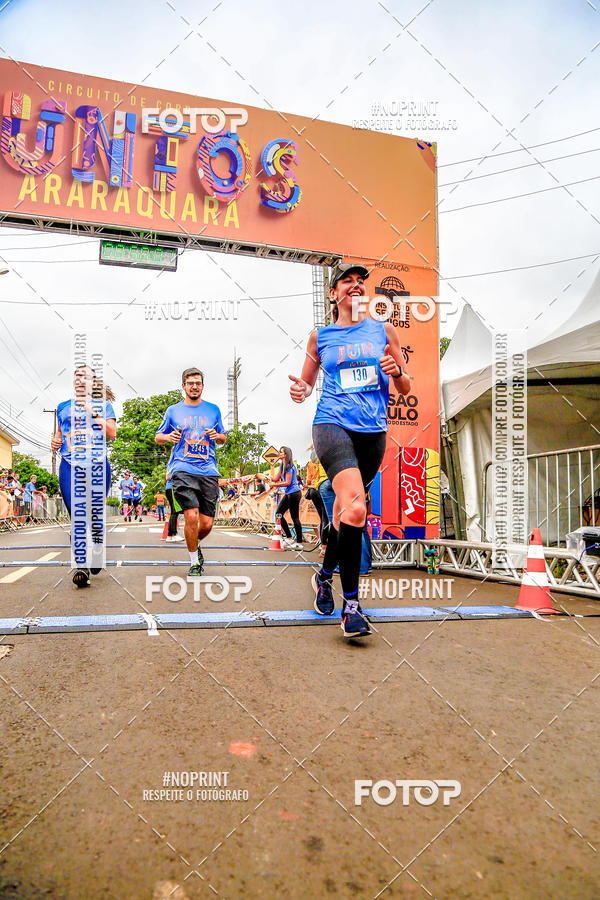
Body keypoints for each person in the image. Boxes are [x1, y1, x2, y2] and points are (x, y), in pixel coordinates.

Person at [289, 262, 410, 638]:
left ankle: (324, 576)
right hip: (331, 425)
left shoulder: (383, 330)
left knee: (346, 516)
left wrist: (396, 372)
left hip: (372, 432)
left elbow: (405, 387)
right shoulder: (319, 338)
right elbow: (306, 385)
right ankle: (352, 606)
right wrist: (301, 391)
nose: (356, 287)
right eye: (347, 282)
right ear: (333, 293)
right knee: (357, 507)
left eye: (361, 282)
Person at [155, 367, 226, 575]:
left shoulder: (213, 410)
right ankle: (194, 562)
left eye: (198, 383)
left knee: (206, 523)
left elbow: (223, 437)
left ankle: (195, 544)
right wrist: (168, 438)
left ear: (202, 386)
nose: (194, 386)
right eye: (190, 383)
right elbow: (158, 436)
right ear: (184, 386)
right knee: (191, 516)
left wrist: (217, 436)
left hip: (209, 470)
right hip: (182, 469)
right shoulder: (173, 411)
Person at [51, 365, 116, 587]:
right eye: (77, 376)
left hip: (97, 466)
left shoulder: (104, 406)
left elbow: (111, 433)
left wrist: (90, 409)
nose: (80, 380)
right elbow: (58, 436)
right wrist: (55, 442)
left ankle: (97, 549)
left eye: (85, 377)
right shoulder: (62, 407)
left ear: (93, 383)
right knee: (78, 516)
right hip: (70, 465)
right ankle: (81, 565)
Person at [270, 446, 302, 550]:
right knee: (279, 514)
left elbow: (287, 483)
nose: (279, 453)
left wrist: (275, 485)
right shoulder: (282, 467)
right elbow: (274, 478)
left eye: (281, 452)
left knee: (295, 517)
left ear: (286, 455)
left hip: (294, 493)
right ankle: (289, 537)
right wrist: (267, 474)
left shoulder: (289, 466)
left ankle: (299, 542)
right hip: (289, 493)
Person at [164, 465, 183, 542]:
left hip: (173, 489)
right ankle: (174, 534)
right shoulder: (173, 465)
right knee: (175, 511)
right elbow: (167, 477)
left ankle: (170, 535)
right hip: (172, 488)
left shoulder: (174, 464)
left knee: (174, 512)